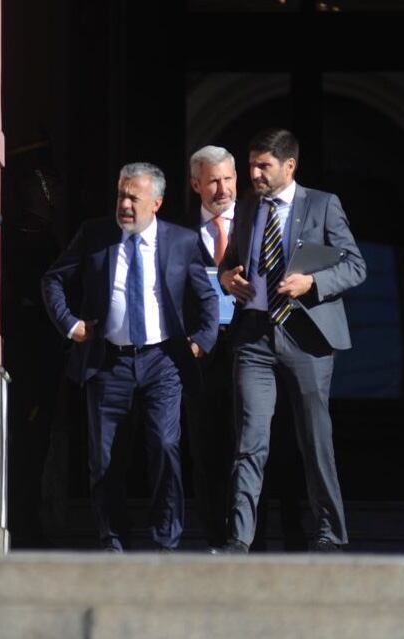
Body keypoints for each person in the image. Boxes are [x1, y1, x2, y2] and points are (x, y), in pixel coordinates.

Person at [41, 162, 218, 552]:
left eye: (133, 197)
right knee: (105, 461)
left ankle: (165, 540)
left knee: (166, 447)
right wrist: (71, 325)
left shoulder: (182, 241)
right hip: (108, 362)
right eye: (121, 195)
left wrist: (201, 341)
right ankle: (113, 541)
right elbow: (53, 279)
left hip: (163, 362)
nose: (124, 204)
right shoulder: (95, 234)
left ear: (156, 202)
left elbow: (207, 297)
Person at [218, 129, 366, 553]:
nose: (255, 174)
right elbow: (231, 263)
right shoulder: (247, 206)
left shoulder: (322, 204)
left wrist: (313, 283)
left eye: (264, 166)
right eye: (252, 165)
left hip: (307, 337)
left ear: (289, 166)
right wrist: (229, 278)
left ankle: (331, 533)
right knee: (250, 439)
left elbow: (356, 266)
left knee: (314, 438)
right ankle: (239, 538)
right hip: (255, 335)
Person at [186, 145, 237, 548]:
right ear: (196, 184)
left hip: (251, 347)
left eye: (228, 179)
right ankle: (214, 536)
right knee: (205, 444)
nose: (222, 189)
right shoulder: (177, 234)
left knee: (251, 441)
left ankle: (248, 534)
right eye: (213, 181)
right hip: (198, 353)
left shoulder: (259, 224)